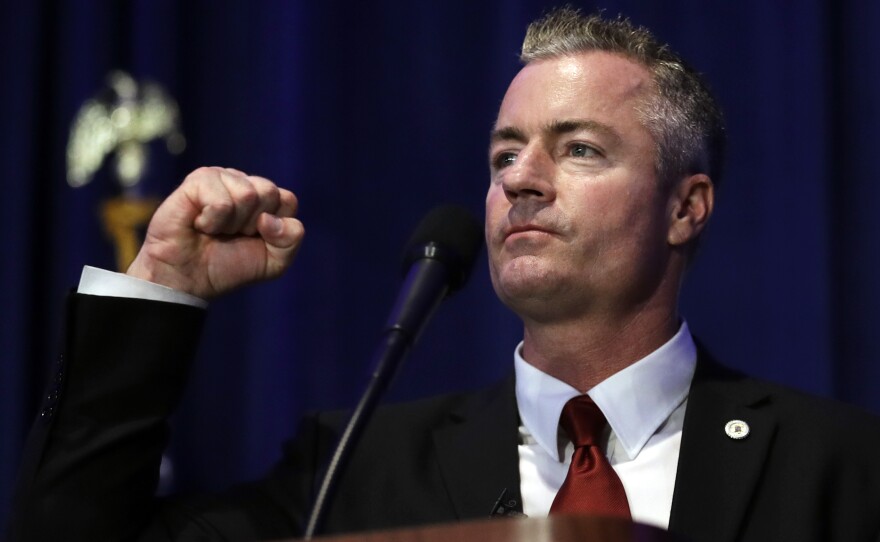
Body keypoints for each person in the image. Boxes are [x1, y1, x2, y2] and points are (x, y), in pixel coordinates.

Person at [8, 7, 880, 542]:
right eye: (505, 153)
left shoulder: (841, 469)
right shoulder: (352, 467)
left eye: (578, 148)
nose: (519, 180)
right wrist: (162, 284)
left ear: (687, 207)